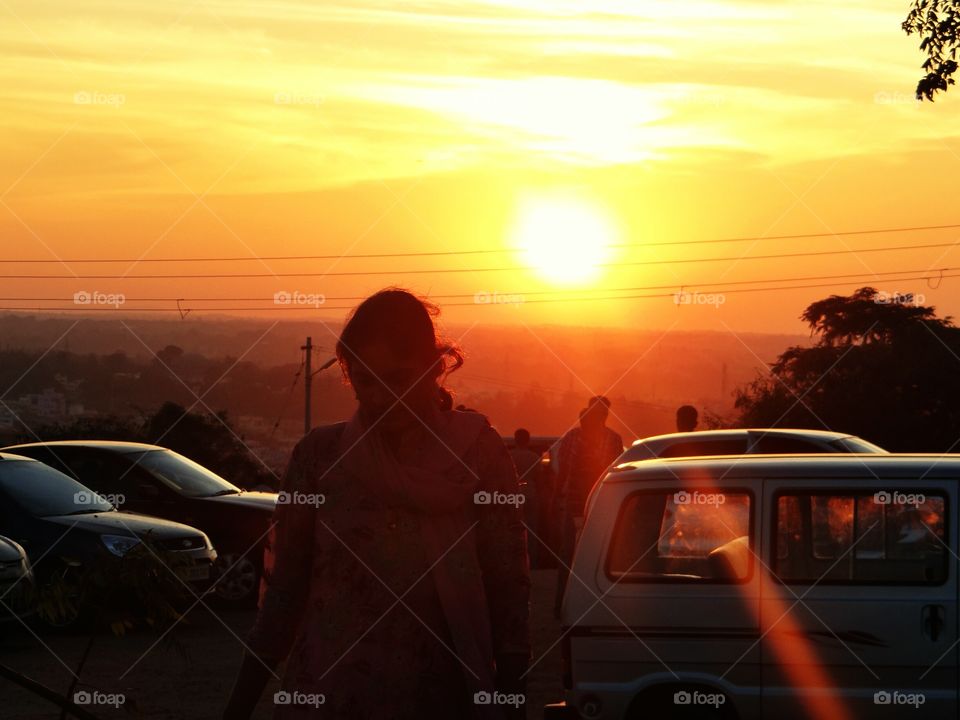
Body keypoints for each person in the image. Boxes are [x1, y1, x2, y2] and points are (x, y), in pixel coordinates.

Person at [223, 288, 530, 720]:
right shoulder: (319, 458)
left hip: (442, 700)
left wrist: (511, 698)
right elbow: (284, 595)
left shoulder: (478, 453)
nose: (383, 398)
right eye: (366, 381)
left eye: (398, 378)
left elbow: (508, 588)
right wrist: (237, 709)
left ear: (434, 368)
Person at [553, 396, 623, 617]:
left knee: (577, 554)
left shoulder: (603, 439)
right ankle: (569, 605)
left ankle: (568, 605)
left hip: (593, 504)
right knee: (581, 554)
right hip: (589, 504)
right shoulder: (601, 439)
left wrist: (556, 496)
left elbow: (563, 471)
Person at [509, 428, 543, 566]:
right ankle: (532, 560)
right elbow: (540, 480)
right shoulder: (534, 457)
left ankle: (515, 560)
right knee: (532, 528)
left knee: (513, 528)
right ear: (528, 440)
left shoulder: (509, 456)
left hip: (513, 496)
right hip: (531, 494)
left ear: (515, 439)